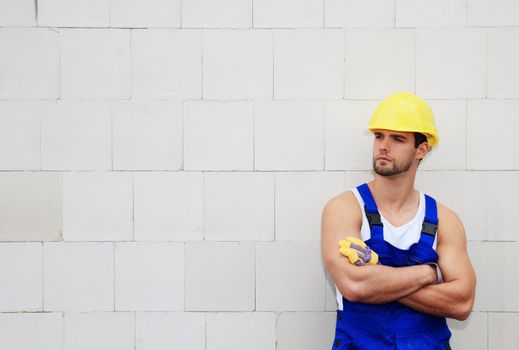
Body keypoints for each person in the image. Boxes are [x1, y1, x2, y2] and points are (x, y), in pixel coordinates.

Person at [321, 92, 476, 349]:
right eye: (379, 136)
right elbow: (355, 285)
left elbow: (461, 303)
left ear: (421, 150)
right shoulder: (345, 208)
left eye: (398, 139)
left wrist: (378, 276)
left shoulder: (445, 220)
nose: (383, 146)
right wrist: (429, 273)